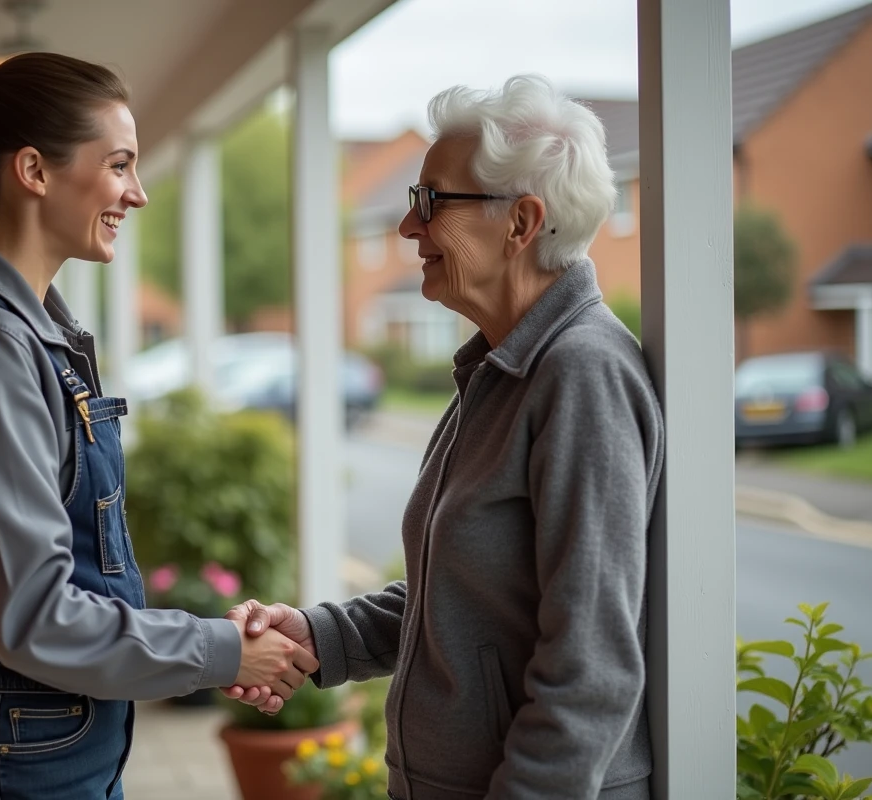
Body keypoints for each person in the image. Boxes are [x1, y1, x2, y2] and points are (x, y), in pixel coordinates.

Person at [0, 53, 317, 800]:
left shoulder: (33, 333)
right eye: (119, 165)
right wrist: (220, 650)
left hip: (43, 736)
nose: (138, 194)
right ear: (34, 171)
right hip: (11, 750)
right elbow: (38, 614)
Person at [224, 75, 665, 799]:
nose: (408, 228)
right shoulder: (500, 367)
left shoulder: (581, 374)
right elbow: (463, 599)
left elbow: (592, 667)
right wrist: (316, 635)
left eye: (431, 202)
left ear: (522, 223)